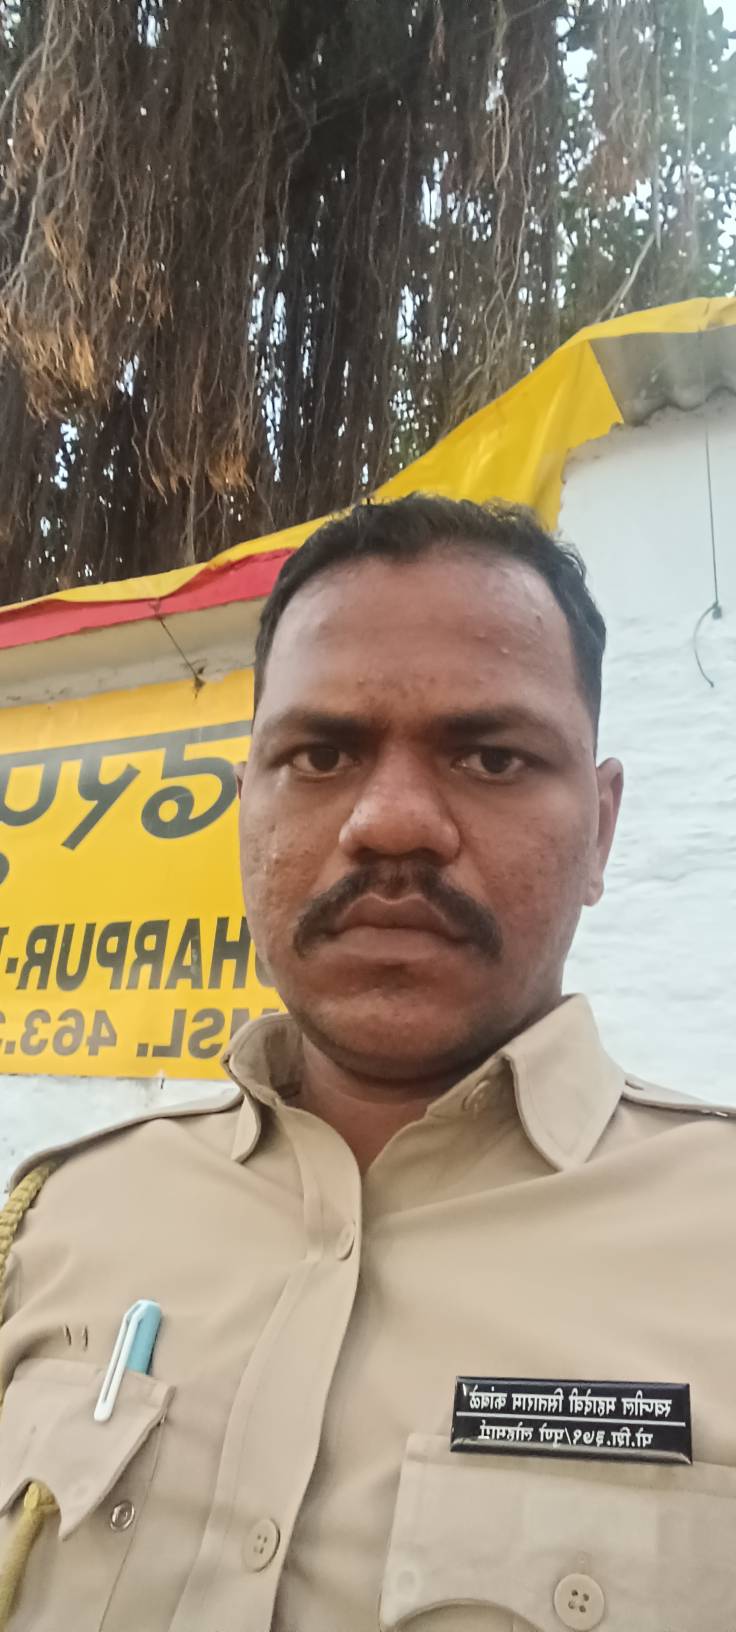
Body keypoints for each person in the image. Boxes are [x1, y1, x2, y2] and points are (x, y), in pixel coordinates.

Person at [0, 494, 734, 1632]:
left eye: (491, 756)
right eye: (321, 754)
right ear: (245, 810)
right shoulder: (58, 1223)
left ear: (600, 829)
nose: (390, 822)